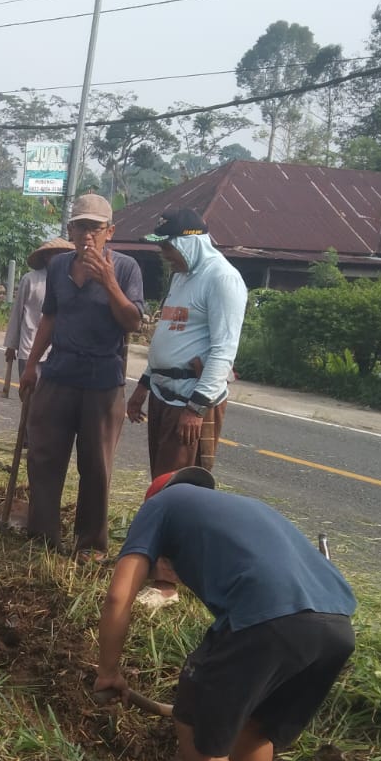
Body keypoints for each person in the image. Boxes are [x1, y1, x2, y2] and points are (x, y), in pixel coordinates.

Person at [94, 468, 357, 761]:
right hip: (336, 626)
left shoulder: (159, 507)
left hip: (270, 619)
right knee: (255, 730)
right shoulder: (243, 509)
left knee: (195, 728)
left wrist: (108, 670)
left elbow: (118, 596)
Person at [127, 207, 248, 604]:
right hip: (164, 393)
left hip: (191, 402)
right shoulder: (182, 277)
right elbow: (168, 338)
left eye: (168, 245)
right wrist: (143, 385)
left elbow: (223, 350)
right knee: (160, 485)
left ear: (189, 240)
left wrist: (197, 407)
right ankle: (157, 564)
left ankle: (167, 584)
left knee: (178, 492)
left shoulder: (222, 279)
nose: (164, 253)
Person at [19, 195, 144, 557]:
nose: (88, 235)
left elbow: (132, 323)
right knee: (43, 456)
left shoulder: (125, 268)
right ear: (70, 230)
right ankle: (43, 537)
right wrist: (31, 365)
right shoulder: (58, 267)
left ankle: (90, 544)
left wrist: (108, 282)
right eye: (81, 227)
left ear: (110, 231)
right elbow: (50, 318)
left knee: (96, 466)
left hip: (102, 381)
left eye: (96, 227)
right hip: (58, 373)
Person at [4, 237, 73, 371]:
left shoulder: (68, 281)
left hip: (57, 351)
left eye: (63, 253)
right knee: (29, 390)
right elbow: (17, 313)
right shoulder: (30, 280)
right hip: (29, 346)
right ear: (46, 257)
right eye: (56, 253)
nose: (60, 257)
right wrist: (11, 345)